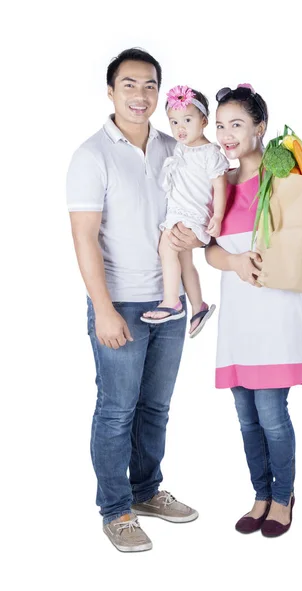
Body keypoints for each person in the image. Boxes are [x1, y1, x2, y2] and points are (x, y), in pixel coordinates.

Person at [205, 84, 302, 537]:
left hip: (275, 315)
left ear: (260, 128)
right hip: (237, 316)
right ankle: (259, 493)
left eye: (236, 124)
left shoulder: (288, 175)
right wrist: (233, 261)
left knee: (272, 413)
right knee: (245, 415)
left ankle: (282, 495)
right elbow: (211, 251)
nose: (226, 134)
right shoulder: (218, 182)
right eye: (219, 125)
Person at [66, 48, 201, 553]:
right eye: (129, 85)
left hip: (169, 302)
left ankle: (146, 492)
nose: (140, 95)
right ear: (110, 91)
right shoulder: (91, 155)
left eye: (149, 86)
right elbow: (84, 237)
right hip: (119, 303)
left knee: (156, 408)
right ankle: (116, 510)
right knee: (117, 410)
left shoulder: (176, 147)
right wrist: (101, 308)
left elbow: (201, 204)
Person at [141, 85, 229, 337]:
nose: (180, 128)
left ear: (203, 121)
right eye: (174, 122)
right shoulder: (182, 146)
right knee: (184, 261)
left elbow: (219, 186)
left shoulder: (209, 153)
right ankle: (198, 306)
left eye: (187, 120)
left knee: (167, 246)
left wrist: (218, 216)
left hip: (193, 215)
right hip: (178, 211)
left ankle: (171, 301)